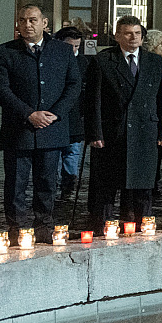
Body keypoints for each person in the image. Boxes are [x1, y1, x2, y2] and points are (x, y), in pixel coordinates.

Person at [0, 5, 80, 237]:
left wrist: (56, 113)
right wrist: (28, 114)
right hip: (18, 129)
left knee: (47, 183)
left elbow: (73, 85)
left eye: (32, 20)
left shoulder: (62, 51)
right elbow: (0, 89)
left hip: (51, 129)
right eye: (22, 20)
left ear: (45, 23)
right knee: (15, 185)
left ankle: (44, 226)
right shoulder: (4, 52)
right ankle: (16, 229)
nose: (27, 25)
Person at [82, 16, 162, 232]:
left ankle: (141, 229)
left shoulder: (155, 62)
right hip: (112, 133)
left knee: (142, 187)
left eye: (137, 33)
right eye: (128, 33)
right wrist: (95, 133)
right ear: (117, 36)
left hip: (145, 133)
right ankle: (103, 230)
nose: (133, 37)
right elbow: (93, 100)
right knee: (106, 187)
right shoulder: (103, 61)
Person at [53, 26, 89, 199]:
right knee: (55, 152)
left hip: (76, 116)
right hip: (55, 115)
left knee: (72, 151)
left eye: (76, 46)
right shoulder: (52, 60)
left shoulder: (83, 62)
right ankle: (54, 182)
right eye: (70, 46)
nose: (74, 50)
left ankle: (69, 182)